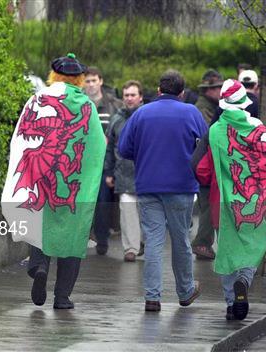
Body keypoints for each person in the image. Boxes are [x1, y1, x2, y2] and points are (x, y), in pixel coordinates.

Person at [1, 53, 105, 309]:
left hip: (42, 176)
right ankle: (62, 297)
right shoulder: (87, 106)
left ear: (53, 75)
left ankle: (39, 266)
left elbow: (23, 136)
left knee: (42, 223)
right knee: (74, 234)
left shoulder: (38, 99)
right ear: (80, 79)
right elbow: (98, 145)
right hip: (74, 182)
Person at [192, 79, 266, 320]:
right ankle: (244, 280)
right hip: (255, 201)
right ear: (245, 102)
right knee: (253, 245)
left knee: (227, 251)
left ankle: (231, 304)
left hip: (220, 204)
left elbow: (201, 169)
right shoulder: (259, 129)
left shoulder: (214, 131)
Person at [118, 70, 205, 312]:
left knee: (153, 242)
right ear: (182, 93)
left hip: (148, 186)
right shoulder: (191, 112)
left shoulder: (141, 114)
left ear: (158, 90)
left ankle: (152, 297)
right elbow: (205, 146)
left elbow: (124, 148)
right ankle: (185, 290)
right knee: (180, 240)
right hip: (182, 187)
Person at [84, 66, 123, 255]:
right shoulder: (79, 102)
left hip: (103, 162)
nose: (90, 84)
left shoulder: (114, 104)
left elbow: (121, 130)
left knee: (102, 202)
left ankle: (102, 240)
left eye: (94, 80)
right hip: (80, 162)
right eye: (87, 81)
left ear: (100, 81)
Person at [104, 80, 144, 262]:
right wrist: (109, 172)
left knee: (147, 215)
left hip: (146, 175)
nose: (129, 98)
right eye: (126, 95)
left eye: (132, 95)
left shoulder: (147, 117)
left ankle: (143, 243)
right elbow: (110, 148)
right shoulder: (116, 119)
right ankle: (131, 249)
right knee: (127, 214)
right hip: (124, 174)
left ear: (140, 97)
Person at [192, 70, 224, 260]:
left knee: (207, 204)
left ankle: (203, 244)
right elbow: (206, 135)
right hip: (205, 162)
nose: (220, 91)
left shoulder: (209, 106)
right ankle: (202, 243)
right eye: (218, 88)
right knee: (207, 205)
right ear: (210, 90)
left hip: (202, 162)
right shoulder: (203, 108)